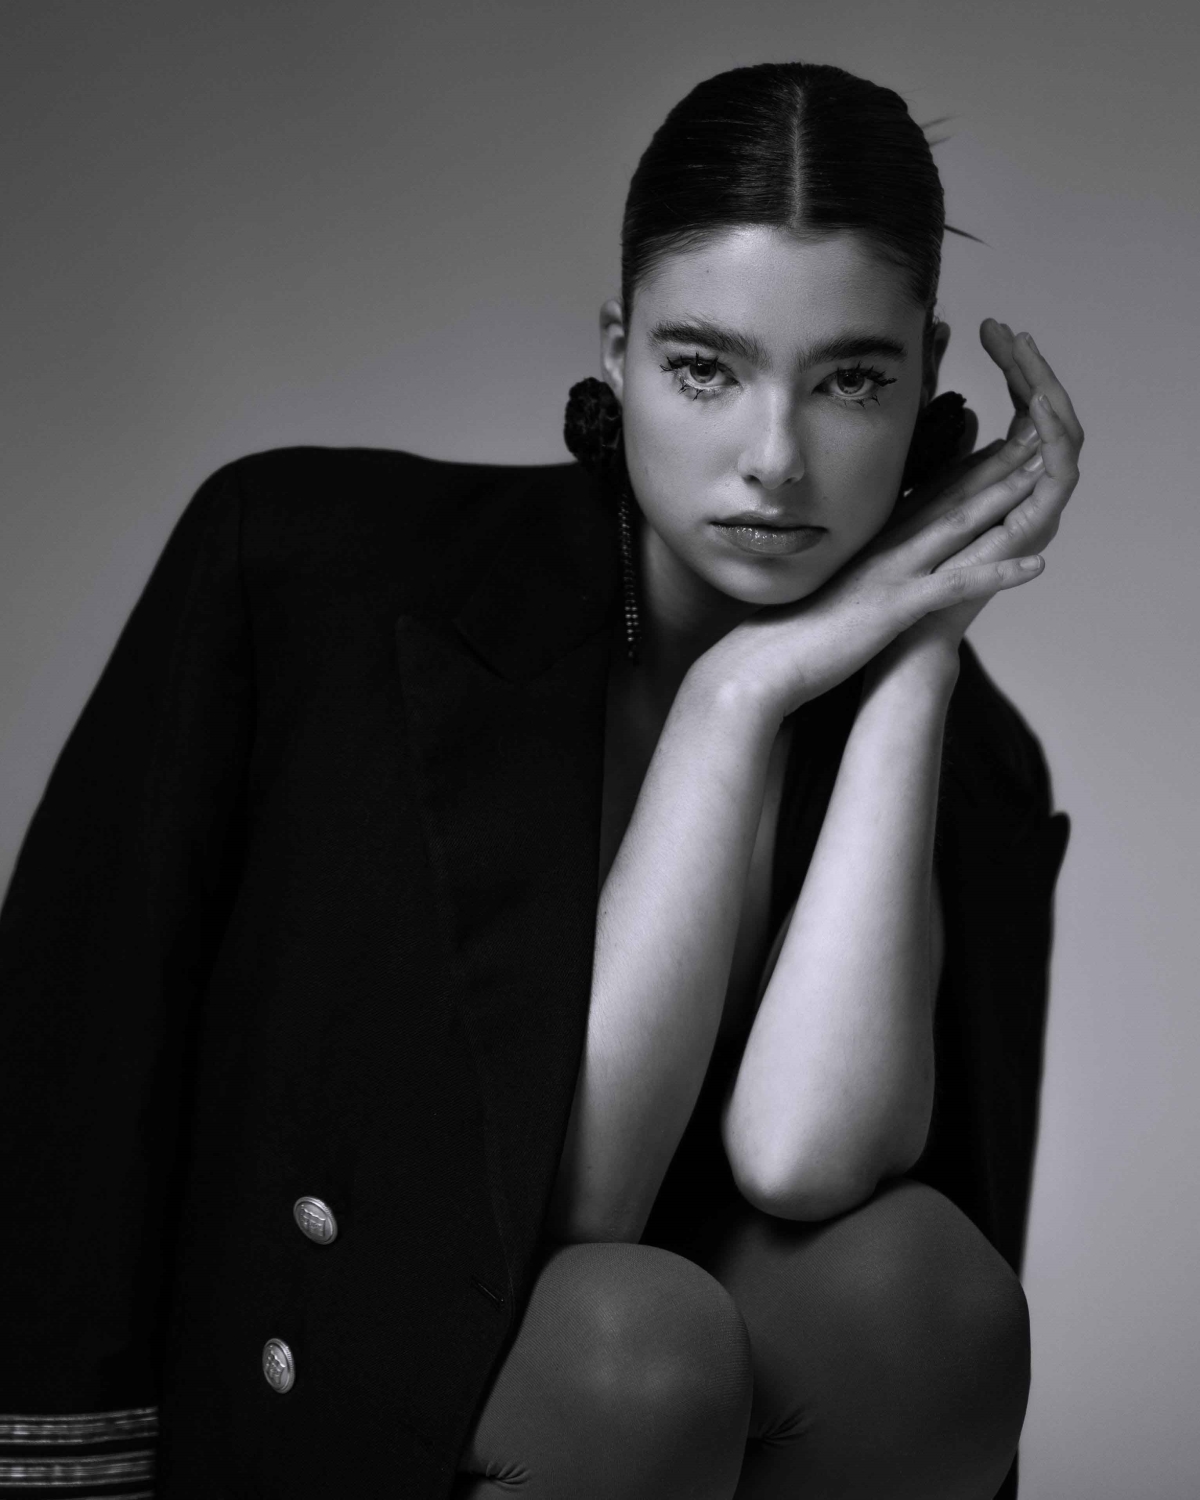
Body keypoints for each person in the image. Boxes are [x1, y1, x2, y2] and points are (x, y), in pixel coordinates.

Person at [0, 59, 1077, 1500]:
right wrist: (730, 703)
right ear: (618, 350)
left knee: (920, 1304)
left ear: (928, 381)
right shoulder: (305, 569)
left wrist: (916, 658)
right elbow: (561, 1204)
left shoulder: (975, 764)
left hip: (676, 1414)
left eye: (851, 381)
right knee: (636, 1347)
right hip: (356, 1402)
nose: (775, 459)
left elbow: (803, 1162)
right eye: (706, 367)